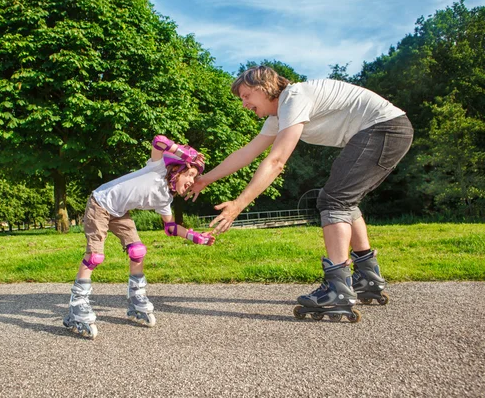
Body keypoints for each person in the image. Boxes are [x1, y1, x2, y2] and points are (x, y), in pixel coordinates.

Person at [189, 66, 413, 322]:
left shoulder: (294, 97)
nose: (244, 104)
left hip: (384, 129)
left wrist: (239, 204)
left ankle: (338, 290)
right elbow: (247, 153)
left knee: (334, 200)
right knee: (342, 199)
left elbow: (276, 161)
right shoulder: (279, 116)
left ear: (263, 87)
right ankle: (367, 278)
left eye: (246, 95)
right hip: (385, 130)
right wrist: (205, 179)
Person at [63, 135, 215, 339]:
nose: (192, 182)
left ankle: (136, 297)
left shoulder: (165, 198)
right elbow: (159, 141)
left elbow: (170, 227)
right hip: (100, 203)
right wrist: (184, 152)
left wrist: (195, 237)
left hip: (119, 212)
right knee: (95, 257)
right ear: (177, 169)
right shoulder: (158, 167)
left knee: (138, 251)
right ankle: (77, 304)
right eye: (190, 175)